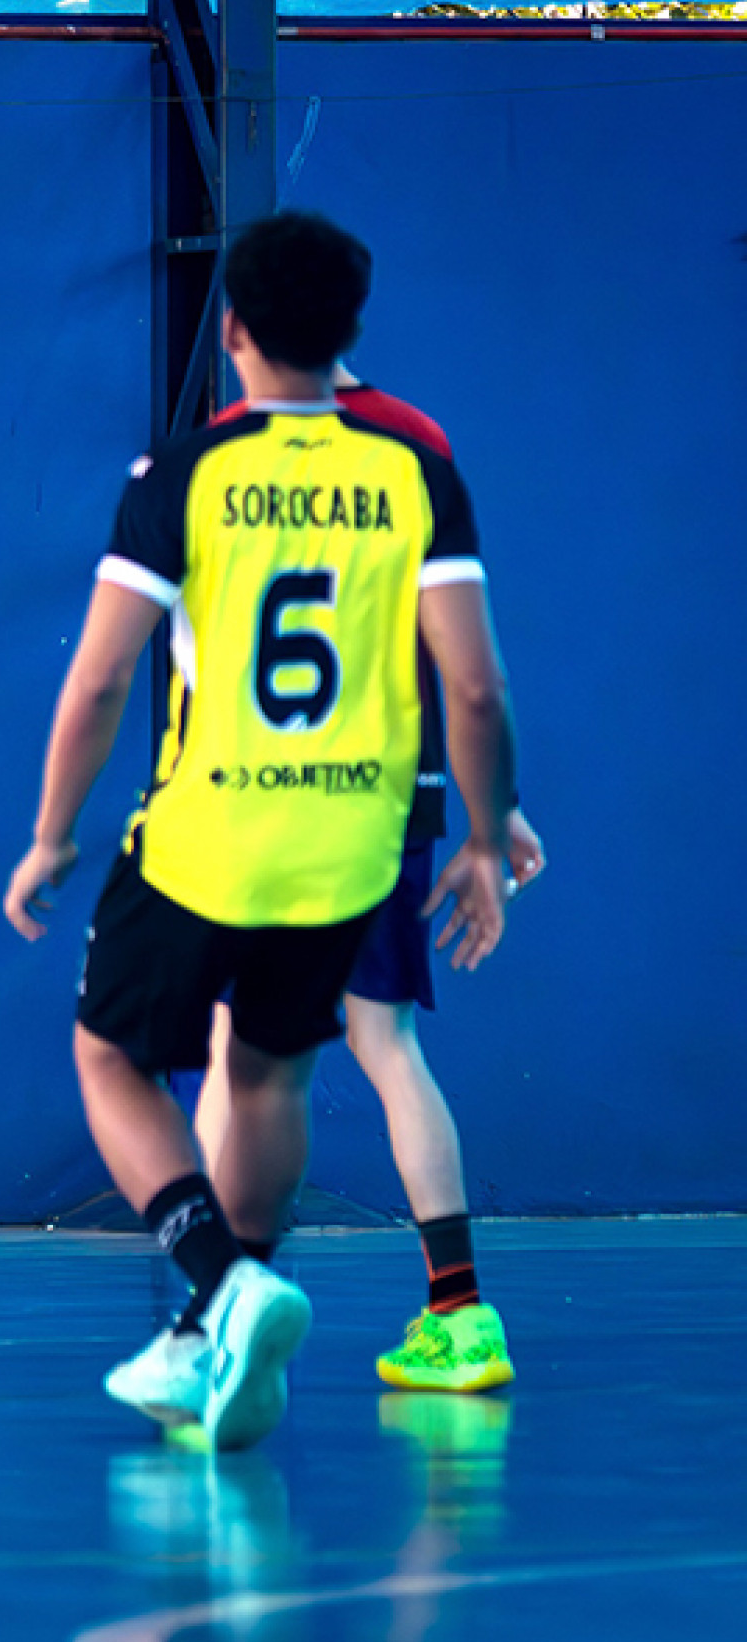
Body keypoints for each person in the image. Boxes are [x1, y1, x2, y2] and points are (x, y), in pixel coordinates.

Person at [3, 212, 520, 1451]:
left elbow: (100, 679)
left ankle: (222, 1287)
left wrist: (51, 832)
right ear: (350, 331)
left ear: (229, 329)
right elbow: (475, 687)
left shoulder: (185, 471)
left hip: (207, 834)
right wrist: (486, 832)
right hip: (351, 844)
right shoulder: (414, 469)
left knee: (112, 1059)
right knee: (271, 1070)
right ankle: (219, 1336)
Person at [187, 369, 545, 1394]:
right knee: (387, 1042)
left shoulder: (222, 449)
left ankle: (223, 1311)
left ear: (240, 328)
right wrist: (494, 804)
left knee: (230, 1049)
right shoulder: (413, 439)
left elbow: (195, 647)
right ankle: (461, 1310)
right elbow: (467, 658)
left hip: (263, 793)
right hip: (391, 789)